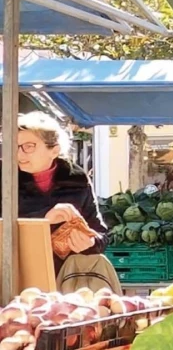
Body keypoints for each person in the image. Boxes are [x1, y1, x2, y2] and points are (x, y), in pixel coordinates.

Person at [4, 112, 118, 292]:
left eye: (28, 146)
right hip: (14, 281)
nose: (19, 154)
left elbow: (101, 234)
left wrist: (90, 243)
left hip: (67, 284)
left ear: (54, 150)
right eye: (14, 146)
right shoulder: (5, 177)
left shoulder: (77, 179)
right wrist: (44, 221)